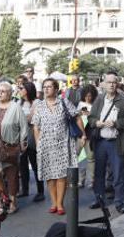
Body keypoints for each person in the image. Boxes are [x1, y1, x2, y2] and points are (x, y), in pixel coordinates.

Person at [32, 78, 85, 215]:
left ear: (56, 89)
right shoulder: (40, 106)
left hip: (63, 145)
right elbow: (36, 127)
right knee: (50, 176)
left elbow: (77, 117)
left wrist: (83, 134)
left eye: (49, 87)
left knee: (61, 175)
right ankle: (53, 202)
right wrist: (38, 144)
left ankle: (60, 204)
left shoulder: (63, 102)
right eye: (44, 87)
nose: (46, 89)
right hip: (46, 145)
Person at [87, 71, 124, 214]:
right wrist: (97, 122)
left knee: (118, 174)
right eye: (109, 82)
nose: (111, 84)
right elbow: (91, 118)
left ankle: (119, 202)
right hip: (100, 142)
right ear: (104, 84)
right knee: (99, 173)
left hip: (116, 142)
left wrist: (116, 123)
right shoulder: (99, 99)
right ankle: (99, 199)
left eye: (114, 82)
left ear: (117, 84)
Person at [0, 79, 28, 214]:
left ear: (9, 93)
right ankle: (1, 202)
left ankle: (12, 201)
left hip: (10, 146)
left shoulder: (15, 107)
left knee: (12, 175)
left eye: (3, 91)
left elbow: (24, 127)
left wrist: (23, 141)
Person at [17, 81, 45, 202]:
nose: (19, 90)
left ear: (27, 90)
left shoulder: (37, 102)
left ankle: (40, 191)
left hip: (33, 137)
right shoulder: (19, 102)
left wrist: (22, 119)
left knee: (35, 165)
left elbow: (32, 119)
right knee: (22, 165)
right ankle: (25, 189)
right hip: (22, 137)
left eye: (21, 88)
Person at [76, 84, 97, 190]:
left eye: (90, 96)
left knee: (90, 158)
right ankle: (80, 180)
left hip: (90, 134)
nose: (88, 98)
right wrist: (80, 112)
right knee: (78, 158)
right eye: (86, 96)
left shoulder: (95, 105)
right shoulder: (80, 104)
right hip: (80, 134)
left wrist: (90, 114)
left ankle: (91, 181)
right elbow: (76, 118)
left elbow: (96, 119)